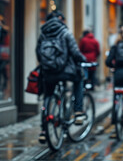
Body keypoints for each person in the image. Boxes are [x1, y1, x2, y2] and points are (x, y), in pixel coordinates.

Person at [36, 10, 87, 143]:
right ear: (61, 20)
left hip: (48, 72)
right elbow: (75, 52)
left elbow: (38, 52)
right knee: (79, 78)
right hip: (65, 71)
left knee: (47, 97)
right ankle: (78, 112)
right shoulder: (65, 32)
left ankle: (43, 130)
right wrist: (84, 59)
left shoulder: (43, 34)